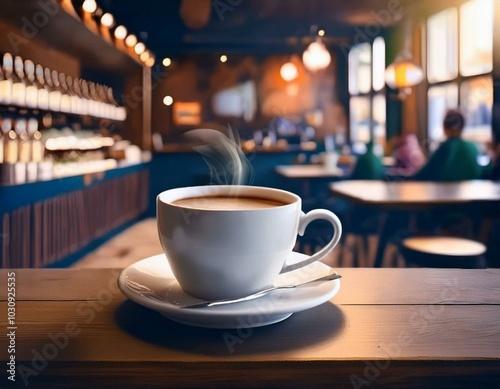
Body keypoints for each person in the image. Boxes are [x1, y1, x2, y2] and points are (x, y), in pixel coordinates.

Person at [412, 109, 482, 181]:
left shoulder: (447, 147)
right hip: (470, 189)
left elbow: (423, 174)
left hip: (446, 189)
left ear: (445, 127)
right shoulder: (473, 147)